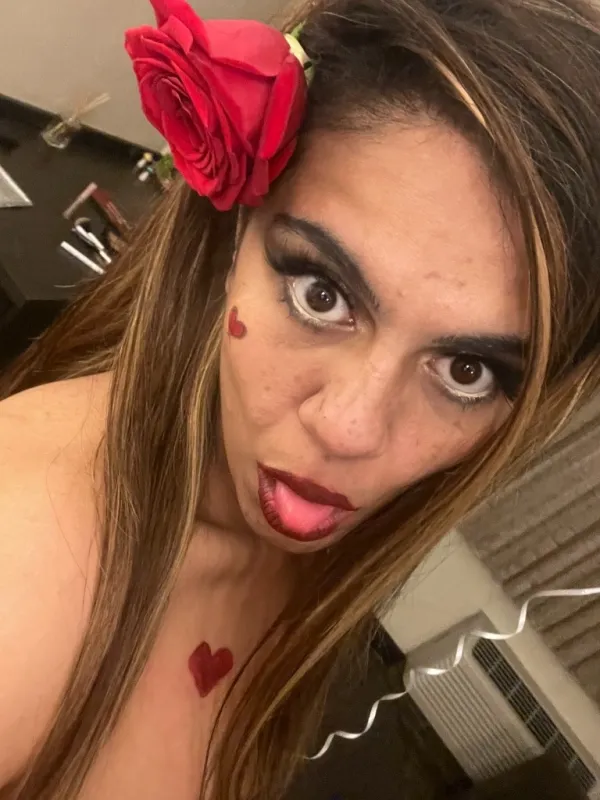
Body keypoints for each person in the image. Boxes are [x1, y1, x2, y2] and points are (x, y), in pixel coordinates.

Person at [1, 0, 600, 797]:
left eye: (468, 371)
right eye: (322, 294)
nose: (350, 428)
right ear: (230, 237)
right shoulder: (21, 568)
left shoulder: (311, 546)